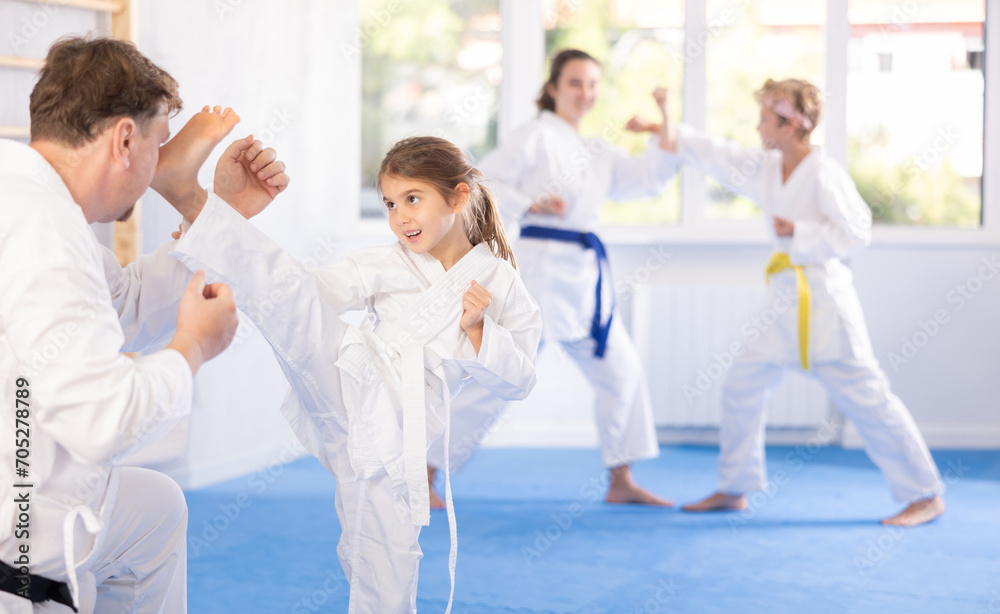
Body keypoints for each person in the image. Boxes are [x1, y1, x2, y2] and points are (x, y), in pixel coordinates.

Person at [171, 136, 542, 613]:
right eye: (390, 203)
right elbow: (311, 292)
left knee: (386, 556)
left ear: (458, 196)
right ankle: (200, 213)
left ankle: (210, 227)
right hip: (350, 377)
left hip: (401, 425)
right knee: (294, 296)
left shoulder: (500, 280)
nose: (400, 217)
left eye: (413, 199)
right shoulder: (385, 260)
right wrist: (218, 252)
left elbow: (522, 381)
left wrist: (479, 332)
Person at [0, 37, 288, 613]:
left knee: (153, 507)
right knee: (138, 506)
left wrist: (219, 215)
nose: (152, 158)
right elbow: (101, 422)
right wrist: (192, 348)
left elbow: (120, 307)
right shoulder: (49, 236)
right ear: (125, 140)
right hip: (16, 526)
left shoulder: (25, 188)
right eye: (158, 144)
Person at [629, 78, 944, 526]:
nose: (758, 126)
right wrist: (664, 126)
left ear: (794, 124)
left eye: (764, 118)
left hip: (825, 301)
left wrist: (800, 232)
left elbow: (858, 231)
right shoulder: (765, 167)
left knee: (868, 398)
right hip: (782, 300)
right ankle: (735, 486)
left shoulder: (824, 173)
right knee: (741, 384)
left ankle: (925, 493)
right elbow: (718, 154)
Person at [426, 48, 679, 507]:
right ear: (553, 88)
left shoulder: (596, 149)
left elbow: (647, 181)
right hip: (540, 271)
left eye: (593, 85)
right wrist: (530, 202)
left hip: (585, 278)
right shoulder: (536, 135)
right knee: (497, 371)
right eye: (576, 83)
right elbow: (482, 182)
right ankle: (422, 474)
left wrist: (664, 126)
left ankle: (621, 479)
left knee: (621, 370)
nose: (585, 93)